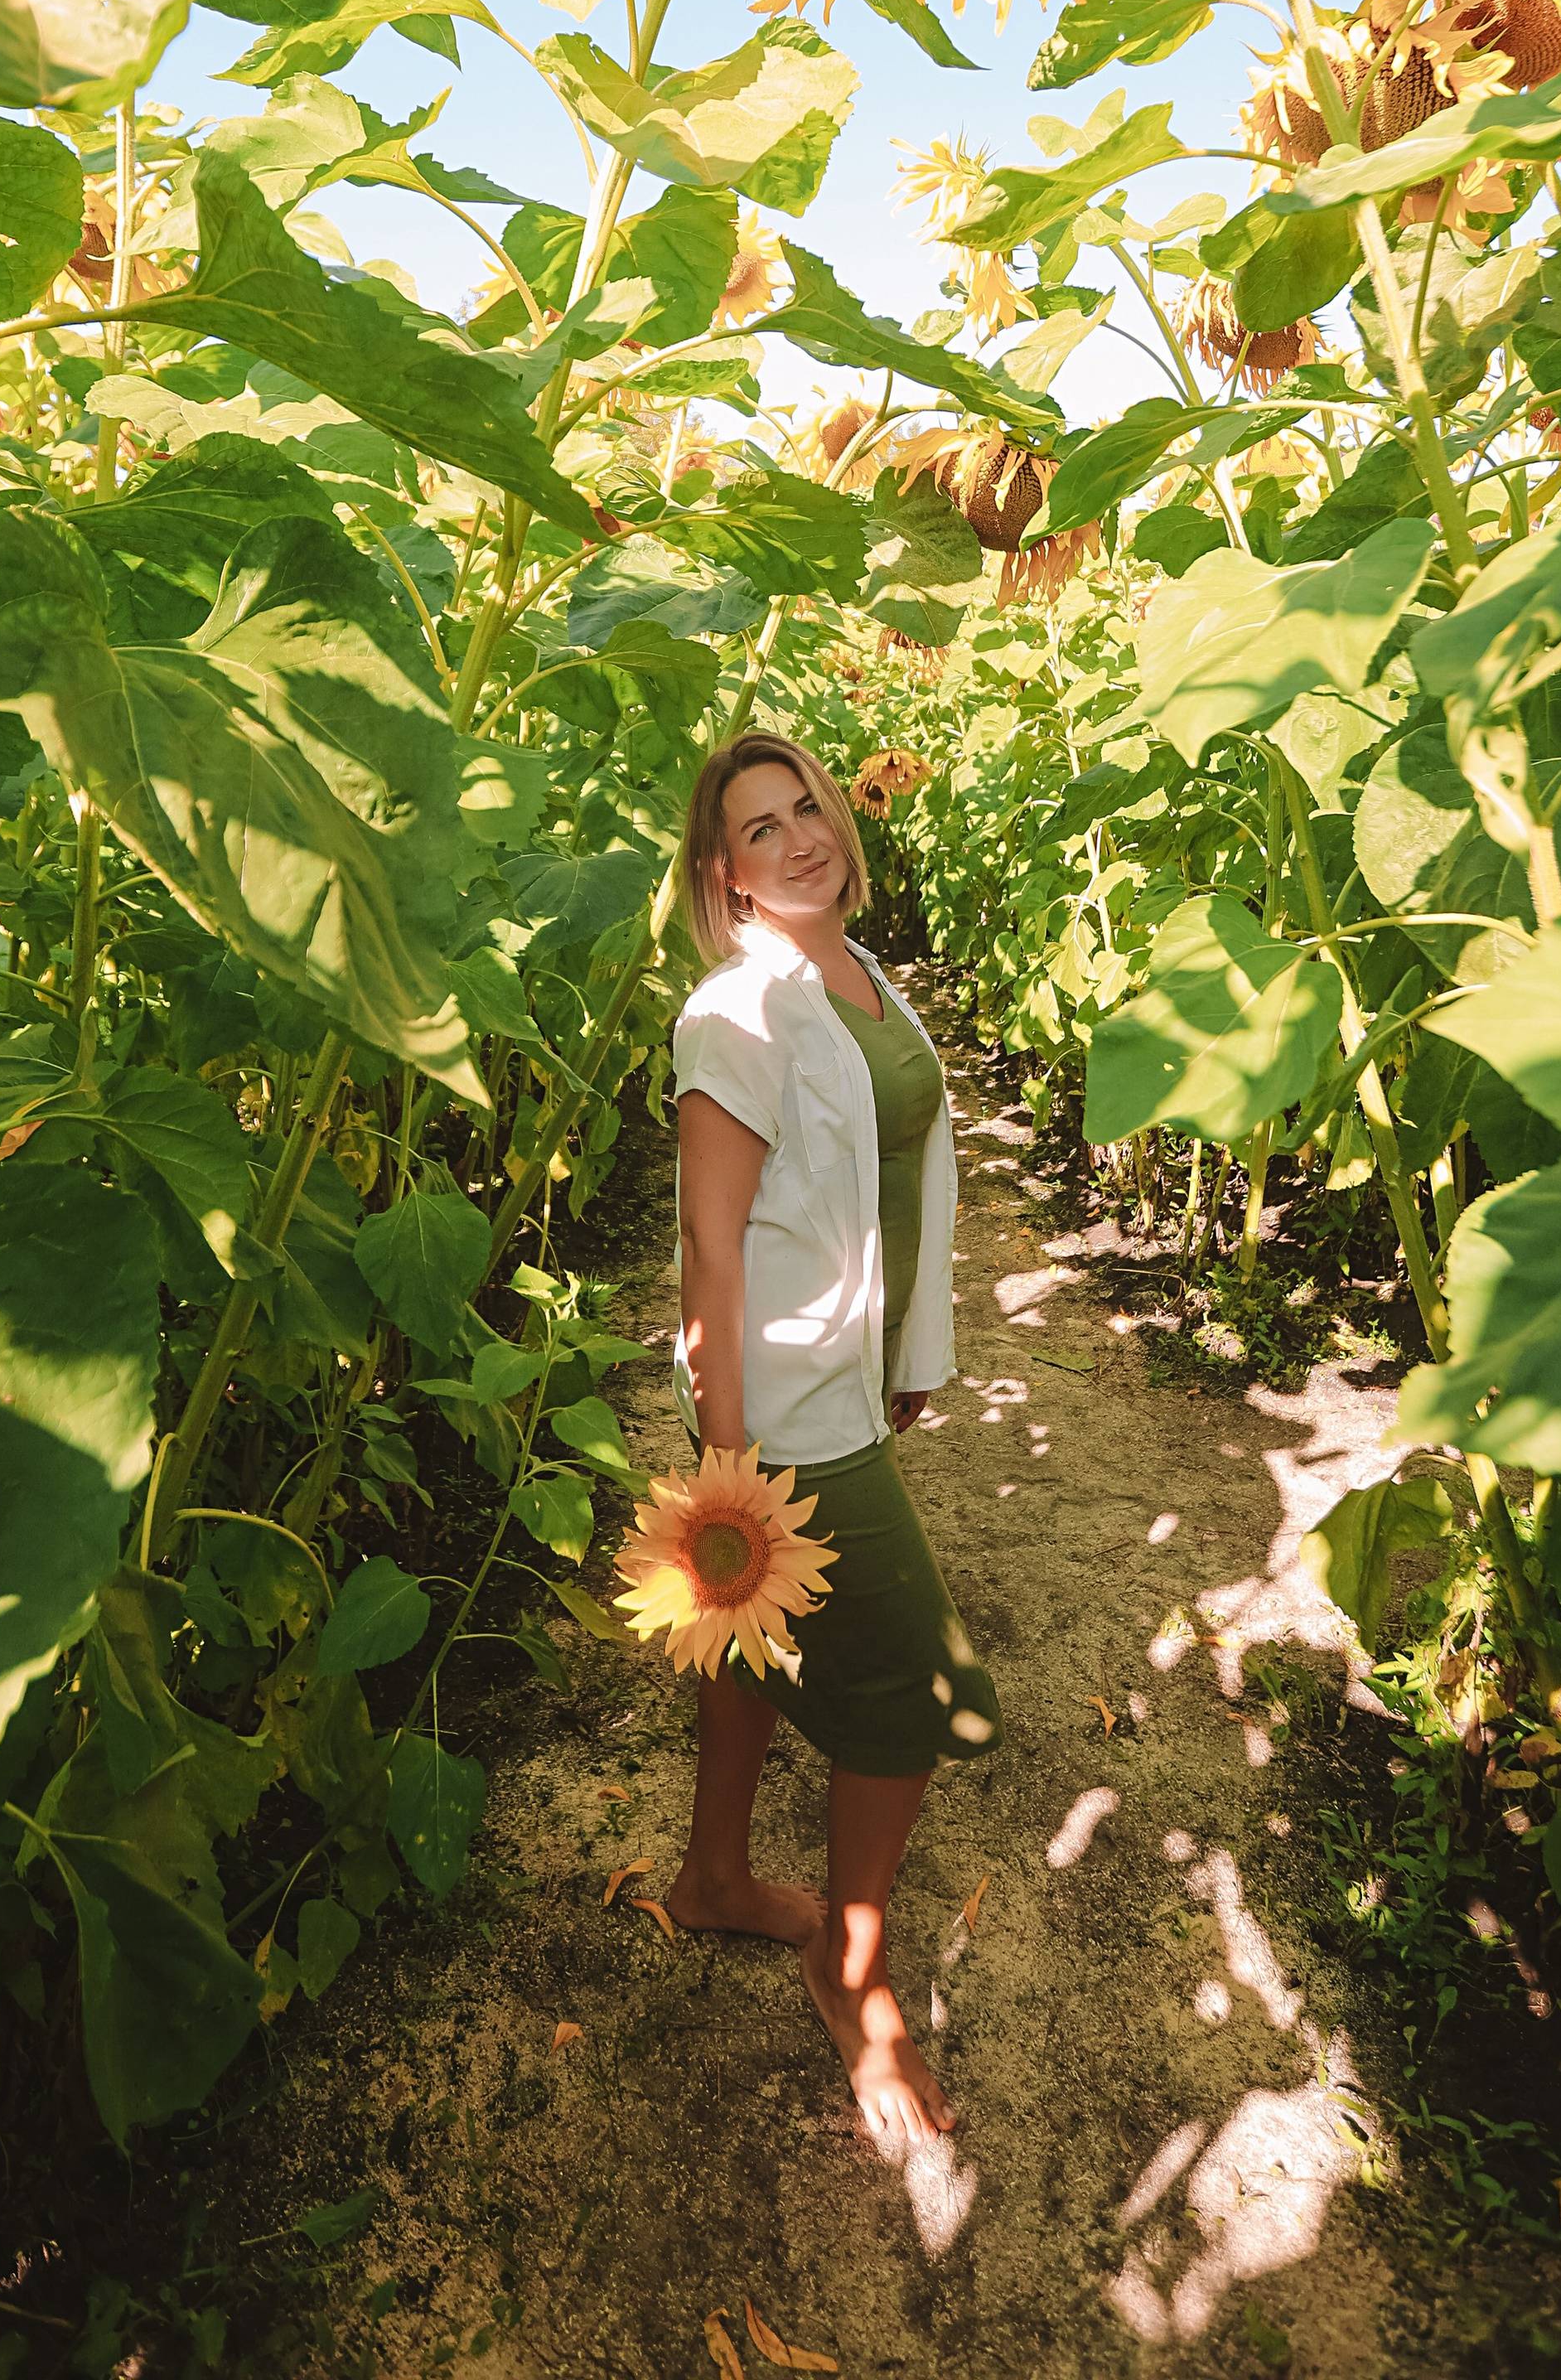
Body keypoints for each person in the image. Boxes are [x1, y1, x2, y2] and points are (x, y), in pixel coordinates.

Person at [661, 729, 1000, 2144]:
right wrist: (731, 1464)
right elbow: (711, 1251)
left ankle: (716, 1880)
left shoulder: (860, 979)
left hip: (852, 1386)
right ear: (724, 878)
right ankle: (848, 1974)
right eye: (761, 828)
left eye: (809, 805)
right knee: (927, 1695)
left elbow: (891, 1180)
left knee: (751, 1637)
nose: (802, 836)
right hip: (789, 1411)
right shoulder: (734, 1016)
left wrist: (910, 1351)